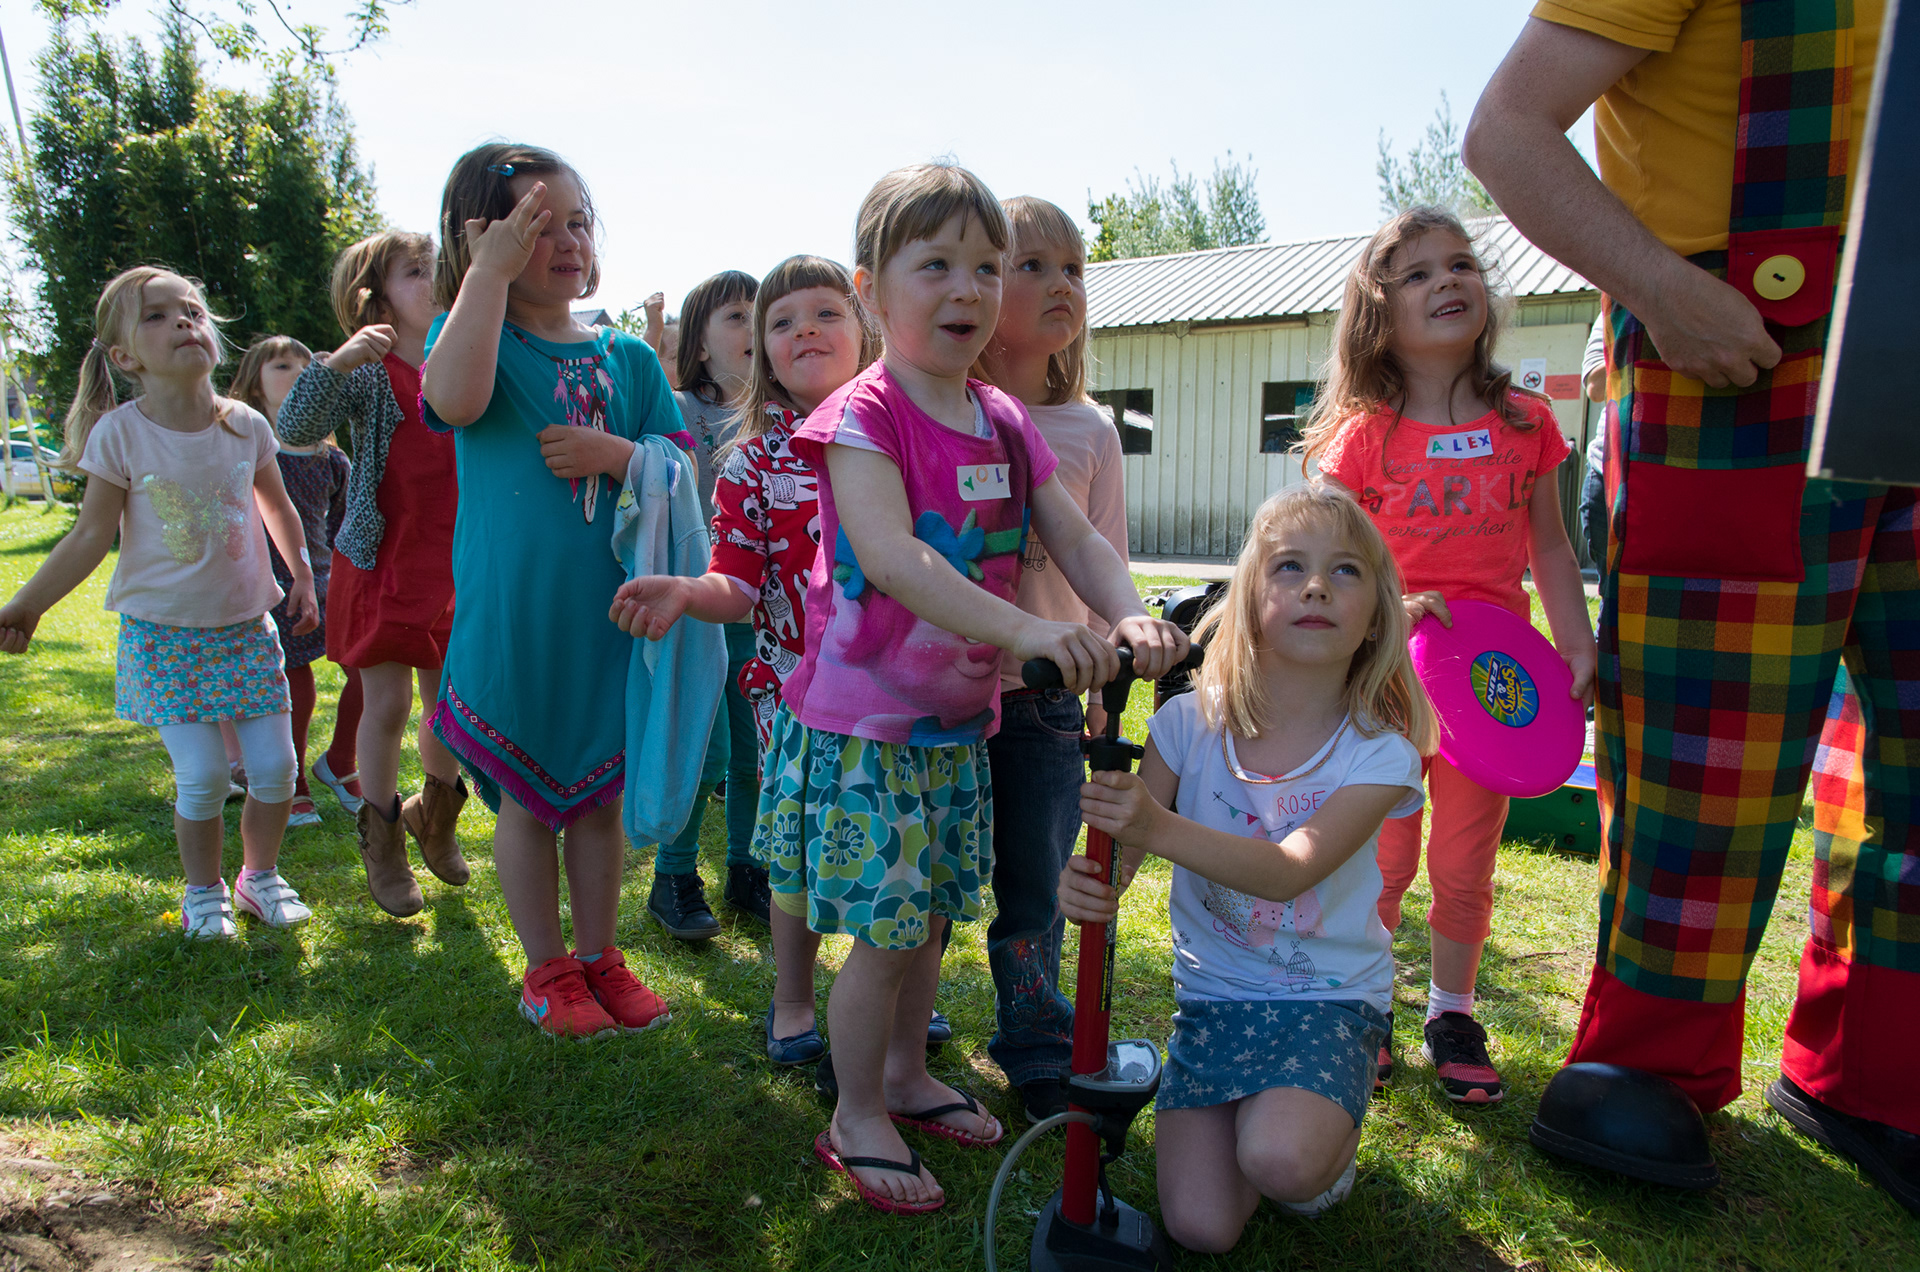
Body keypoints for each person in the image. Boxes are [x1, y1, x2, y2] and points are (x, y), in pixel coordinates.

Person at [1467, 0, 1917, 1207]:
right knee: (1707, 738)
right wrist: (1662, 289)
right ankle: (1650, 1059)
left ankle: (1880, 1067)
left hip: (1905, 321)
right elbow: (1507, 128)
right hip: (1738, 346)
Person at [757, 162, 1187, 1213]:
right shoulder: (863, 416)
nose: (969, 289)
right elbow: (894, 557)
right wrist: (1030, 631)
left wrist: (1123, 612)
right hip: (867, 726)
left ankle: (907, 1076)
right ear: (873, 290)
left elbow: (1072, 535)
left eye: (987, 267)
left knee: (930, 920)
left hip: (954, 720)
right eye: (937, 265)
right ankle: (856, 1114)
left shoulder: (1001, 416)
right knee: (886, 934)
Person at [1058, 483, 1434, 1251]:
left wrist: (1155, 824)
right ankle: (1281, 1117)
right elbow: (1122, 859)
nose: (1317, 586)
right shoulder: (1184, 724)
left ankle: (1320, 1135)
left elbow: (1290, 872)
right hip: (1215, 998)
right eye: (1289, 566)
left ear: (1376, 617)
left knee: (1283, 1165)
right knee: (1201, 1228)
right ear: (1252, 599)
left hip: (1327, 999)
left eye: (1345, 571)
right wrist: (1089, 880)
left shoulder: (1379, 753)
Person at [1301, 206, 1596, 1105]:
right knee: (1383, 858)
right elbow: (1323, 560)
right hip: (1384, 679)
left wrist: (1575, 643)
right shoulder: (1360, 436)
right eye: (1420, 273)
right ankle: (1364, 1001)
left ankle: (1452, 1012)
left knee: (1466, 862)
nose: (1449, 281)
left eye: (1462, 264)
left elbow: (1552, 548)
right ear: (1379, 310)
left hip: (1496, 687)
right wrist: (1384, 604)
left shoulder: (1527, 422)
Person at [421, 142, 679, 1040]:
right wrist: (485, 279)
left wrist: (619, 455)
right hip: (516, 618)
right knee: (529, 801)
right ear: (480, 236)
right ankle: (547, 970)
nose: (568, 241)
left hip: (612, 616)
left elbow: (680, 467)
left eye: (578, 221)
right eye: (539, 225)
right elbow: (454, 402)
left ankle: (601, 957)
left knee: (599, 799)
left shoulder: (629, 359)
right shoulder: (475, 338)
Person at [0, 267, 320, 937]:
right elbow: (90, 536)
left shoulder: (246, 425)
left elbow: (279, 507)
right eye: (157, 315)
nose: (183, 321)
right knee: (203, 776)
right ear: (124, 357)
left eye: (194, 311)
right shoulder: (120, 434)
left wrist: (302, 574)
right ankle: (203, 892)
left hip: (246, 630)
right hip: (164, 637)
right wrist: (29, 604)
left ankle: (259, 878)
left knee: (276, 769)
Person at [614, 254, 877, 1062]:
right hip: (794, 697)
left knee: (898, 852)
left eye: (827, 313)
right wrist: (689, 590)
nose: (806, 330)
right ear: (764, 353)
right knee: (795, 859)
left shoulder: (900, 442)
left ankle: (897, 1001)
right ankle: (793, 1001)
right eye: (781, 320)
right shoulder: (753, 464)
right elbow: (737, 582)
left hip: (898, 693)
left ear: (865, 330)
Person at [971, 195, 1127, 1123]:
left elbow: (1103, 554)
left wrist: (1106, 678)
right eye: (1032, 265)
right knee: (935, 877)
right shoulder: (940, 412)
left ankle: (1033, 1037)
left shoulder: (1089, 430)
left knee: (1036, 882)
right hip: (943, 697)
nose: (1061, 284)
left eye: (1073, 268)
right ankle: (904, 1029)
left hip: (1048, 702)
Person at [278, 231, 468, 916]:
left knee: (450, 708)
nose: (433, 280)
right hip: (384, 559)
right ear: (376, 297)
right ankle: (384, 841)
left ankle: (435, 818)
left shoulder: (463, 357)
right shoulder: (369, 369)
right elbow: (295, 427)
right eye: (414, 272)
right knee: (385, 706)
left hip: (455, 562)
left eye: (437, 269)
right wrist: (336, 362)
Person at [637, 267, 759, 941]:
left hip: (761, 619)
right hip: (697, 609)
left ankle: (747, 869)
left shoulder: (784, 414)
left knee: (754, 756)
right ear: (701, 344)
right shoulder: (681, 409)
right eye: (736, 316)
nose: (753, 327)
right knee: (704, 753)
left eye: (760, 314)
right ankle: (674, 877)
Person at [226, 336, 357, 829]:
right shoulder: (244, 450)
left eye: (307, 366)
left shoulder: (332, 459)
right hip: (269, 587)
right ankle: (295, 780)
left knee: (369, 671)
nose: (299, 373)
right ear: (253, 386)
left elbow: (344, 527)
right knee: (294, 684)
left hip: (328, 583)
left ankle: (341, 761)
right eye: (283, 366)